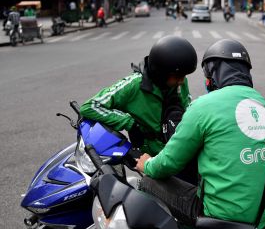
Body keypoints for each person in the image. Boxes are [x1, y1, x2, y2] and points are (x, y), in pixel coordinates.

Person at [136, 39, 265, 229]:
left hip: (219, 218)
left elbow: (168, 163)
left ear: (213, 74)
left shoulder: (203, 106)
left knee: (148, 181)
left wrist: (147, 164)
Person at [80, 36, 197, 166]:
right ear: (161, 73)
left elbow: (188, 109)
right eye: (177, 77)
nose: (182, 81)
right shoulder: (134, 85)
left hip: (180, 149)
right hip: (154, 159)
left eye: (184, 76)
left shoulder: (179, 83)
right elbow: (91, 106)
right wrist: (129, 123)